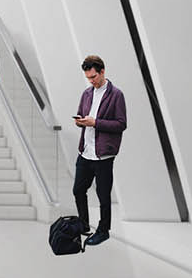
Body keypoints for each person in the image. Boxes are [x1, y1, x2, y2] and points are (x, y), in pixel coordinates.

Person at [73, 55, 126, 247]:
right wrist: (81, 121)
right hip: (85, 151)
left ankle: (103, 231)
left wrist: (95, 122)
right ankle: (83, 224)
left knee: (104, 195)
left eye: (93, 76)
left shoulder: (116, 95)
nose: (91, 81)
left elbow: (121, 124)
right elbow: (82, 117)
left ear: (103, 71)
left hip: (103, 154)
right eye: (88, 77)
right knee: (78, 190)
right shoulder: (87, 94)